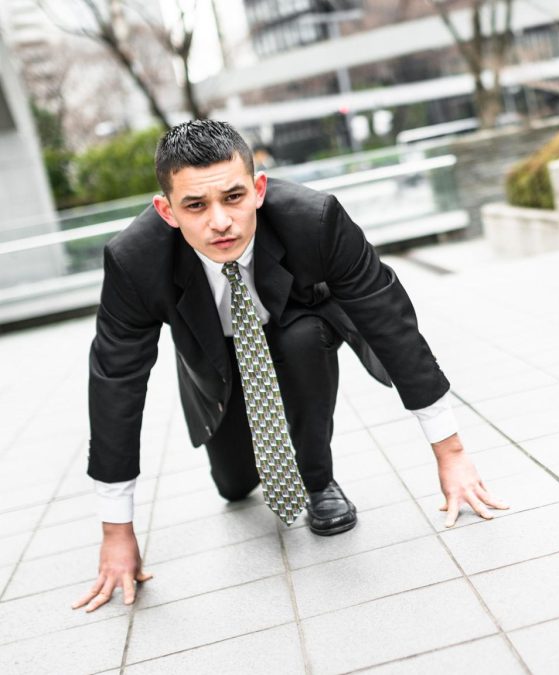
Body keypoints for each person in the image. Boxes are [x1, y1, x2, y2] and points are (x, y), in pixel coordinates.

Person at [73, 120, 507, 613]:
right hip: (215, 360)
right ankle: (248, 464)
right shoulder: (134, 260)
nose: (220, 221)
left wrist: (449, 451)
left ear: (258, 189)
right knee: (234, 487)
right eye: (195, 205)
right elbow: (115, 382)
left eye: (233, 197)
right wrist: (116, 529)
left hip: (296, 327)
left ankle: (318, 481)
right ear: (167, 211)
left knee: (304, 337)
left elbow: (389, 320)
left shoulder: (315, 219)